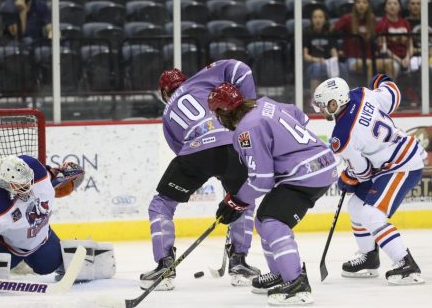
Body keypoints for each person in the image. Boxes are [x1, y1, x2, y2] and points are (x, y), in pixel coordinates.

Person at [208, 83, 338, 305]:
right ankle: (279, 273)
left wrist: (236, 202)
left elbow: (262, 180)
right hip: (323, 163)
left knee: (272, 221)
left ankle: (296, 283)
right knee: (262, 219)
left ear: (223, 113)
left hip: (303, 174)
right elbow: (300, 117)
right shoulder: (264, 103)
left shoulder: (246, 130)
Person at [140, 59, 261, 291]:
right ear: (184, 81)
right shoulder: (201, 81)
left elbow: (181, 150)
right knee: (242, 198)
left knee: (161, 205)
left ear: (164, 92)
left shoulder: (167, 114)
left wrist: (205, 165)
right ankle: (239, 263)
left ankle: (164, 267)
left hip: (195, 151)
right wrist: (248, 111)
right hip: (230, 144)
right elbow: (240, 68)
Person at [312, 74, 426, 285]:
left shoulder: (342, 135)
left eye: (324, 104)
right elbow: (393, 95)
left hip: (402, 166)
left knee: (370, 213)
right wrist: (382, 80)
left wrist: (348, 177)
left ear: (336, 101)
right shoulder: (362, 94)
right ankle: (369, 257)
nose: (321, 109)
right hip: (395, 161)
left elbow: (363, 173)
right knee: (356, 205)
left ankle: (406, 264)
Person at [0, 155, 92, 297]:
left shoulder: (35, 170)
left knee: (47, 266)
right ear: (5, 184)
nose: (28, 187)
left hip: (42, 241)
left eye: (28, 180)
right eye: (21, 185)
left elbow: (52, 178)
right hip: (6, 249)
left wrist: (61, 176)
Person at [333, 0, 393, 82]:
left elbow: (377, 38)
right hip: (352, 59)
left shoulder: (372, 19)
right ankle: (369, 94)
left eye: (364, 2)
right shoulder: (347, 18)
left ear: (368, 5)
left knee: (389, 63)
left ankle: (391, 92)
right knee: (368, 64)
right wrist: (338, 49)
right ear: (355, 4)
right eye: (358, 2)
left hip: (370, 58)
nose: (361, 5)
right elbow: (332, 31)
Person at [303, 7, 345, 96]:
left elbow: (334, 53)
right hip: (312, 64)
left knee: (342, 67)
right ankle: (315, 98)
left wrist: (332, 61)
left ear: (325, 19)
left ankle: (341, 95)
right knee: (317, 68)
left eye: (320, 17)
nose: (317, 20)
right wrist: (318, 60)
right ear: (311, 20)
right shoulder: (307, 33)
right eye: (315, 17)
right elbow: (305, 55)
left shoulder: (329, 33)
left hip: (327, 63)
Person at [376, 0, 414, 77]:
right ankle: (392, 89)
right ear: (385, 7)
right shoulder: (381, 24)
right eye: (389, 4)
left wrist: (407, 58)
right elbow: (384, 48)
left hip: (407, 57)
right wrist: (400, 60)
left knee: (420, 64)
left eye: (395, 3)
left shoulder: (406, 23)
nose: (392, 6)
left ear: (400, 7)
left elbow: (410, 45)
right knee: (394, 67)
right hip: (390, 58)